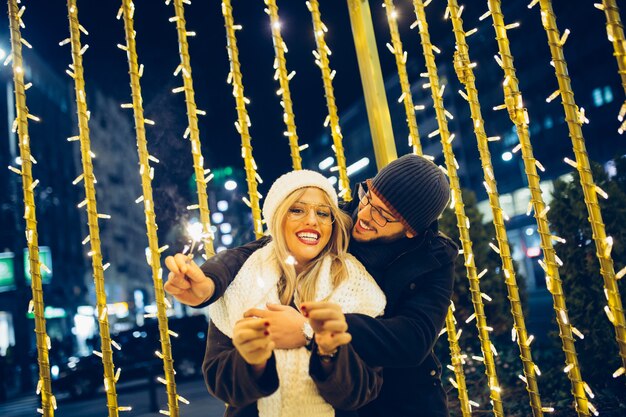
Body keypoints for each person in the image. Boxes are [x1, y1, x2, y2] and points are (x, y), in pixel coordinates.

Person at [165, 154, 458, 417]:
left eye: (384, 215)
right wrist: (211, 282)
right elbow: (267, 245)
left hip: (402, 399)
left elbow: (413, 340)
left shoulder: (433, 258)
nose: (365, 215)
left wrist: (310, 329)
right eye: (368, 197)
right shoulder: (331, 221)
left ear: (411, 231)